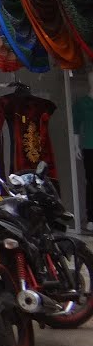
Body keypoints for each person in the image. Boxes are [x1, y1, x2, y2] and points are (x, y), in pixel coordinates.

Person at [73, 70, 93, 233]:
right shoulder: (82, 103)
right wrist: (75, 145)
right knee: (91, 182)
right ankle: (91, 217)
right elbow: (75, 127)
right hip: (89, 146)